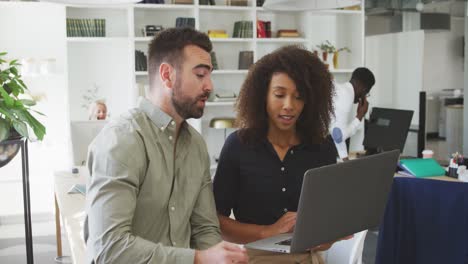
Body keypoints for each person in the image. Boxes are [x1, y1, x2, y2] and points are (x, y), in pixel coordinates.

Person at [85, 27, 248, 264]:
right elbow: (109, 249)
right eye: (200, 75)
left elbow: (205, 230)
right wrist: (198, 259)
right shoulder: (122, 140)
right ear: (167, 75)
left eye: (209, 75)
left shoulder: (196, 146)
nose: (209, 86)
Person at [213, 46, 349, 264]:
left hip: (309, 257)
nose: (289, 106)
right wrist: (268, 231)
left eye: (298, 97)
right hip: (258, 258)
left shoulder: (322, 147)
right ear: (262, 95)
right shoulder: (238, 146)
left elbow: (325, 222)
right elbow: (217, 223)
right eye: (279, 95)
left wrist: (328, 237)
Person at [330, 67, 375, 160]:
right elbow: (339, 136)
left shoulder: (341, 91)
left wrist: (346, 160)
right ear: (364, 89)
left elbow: (336, 130)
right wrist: (359, 117)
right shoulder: (346, 96)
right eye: (367, 93)